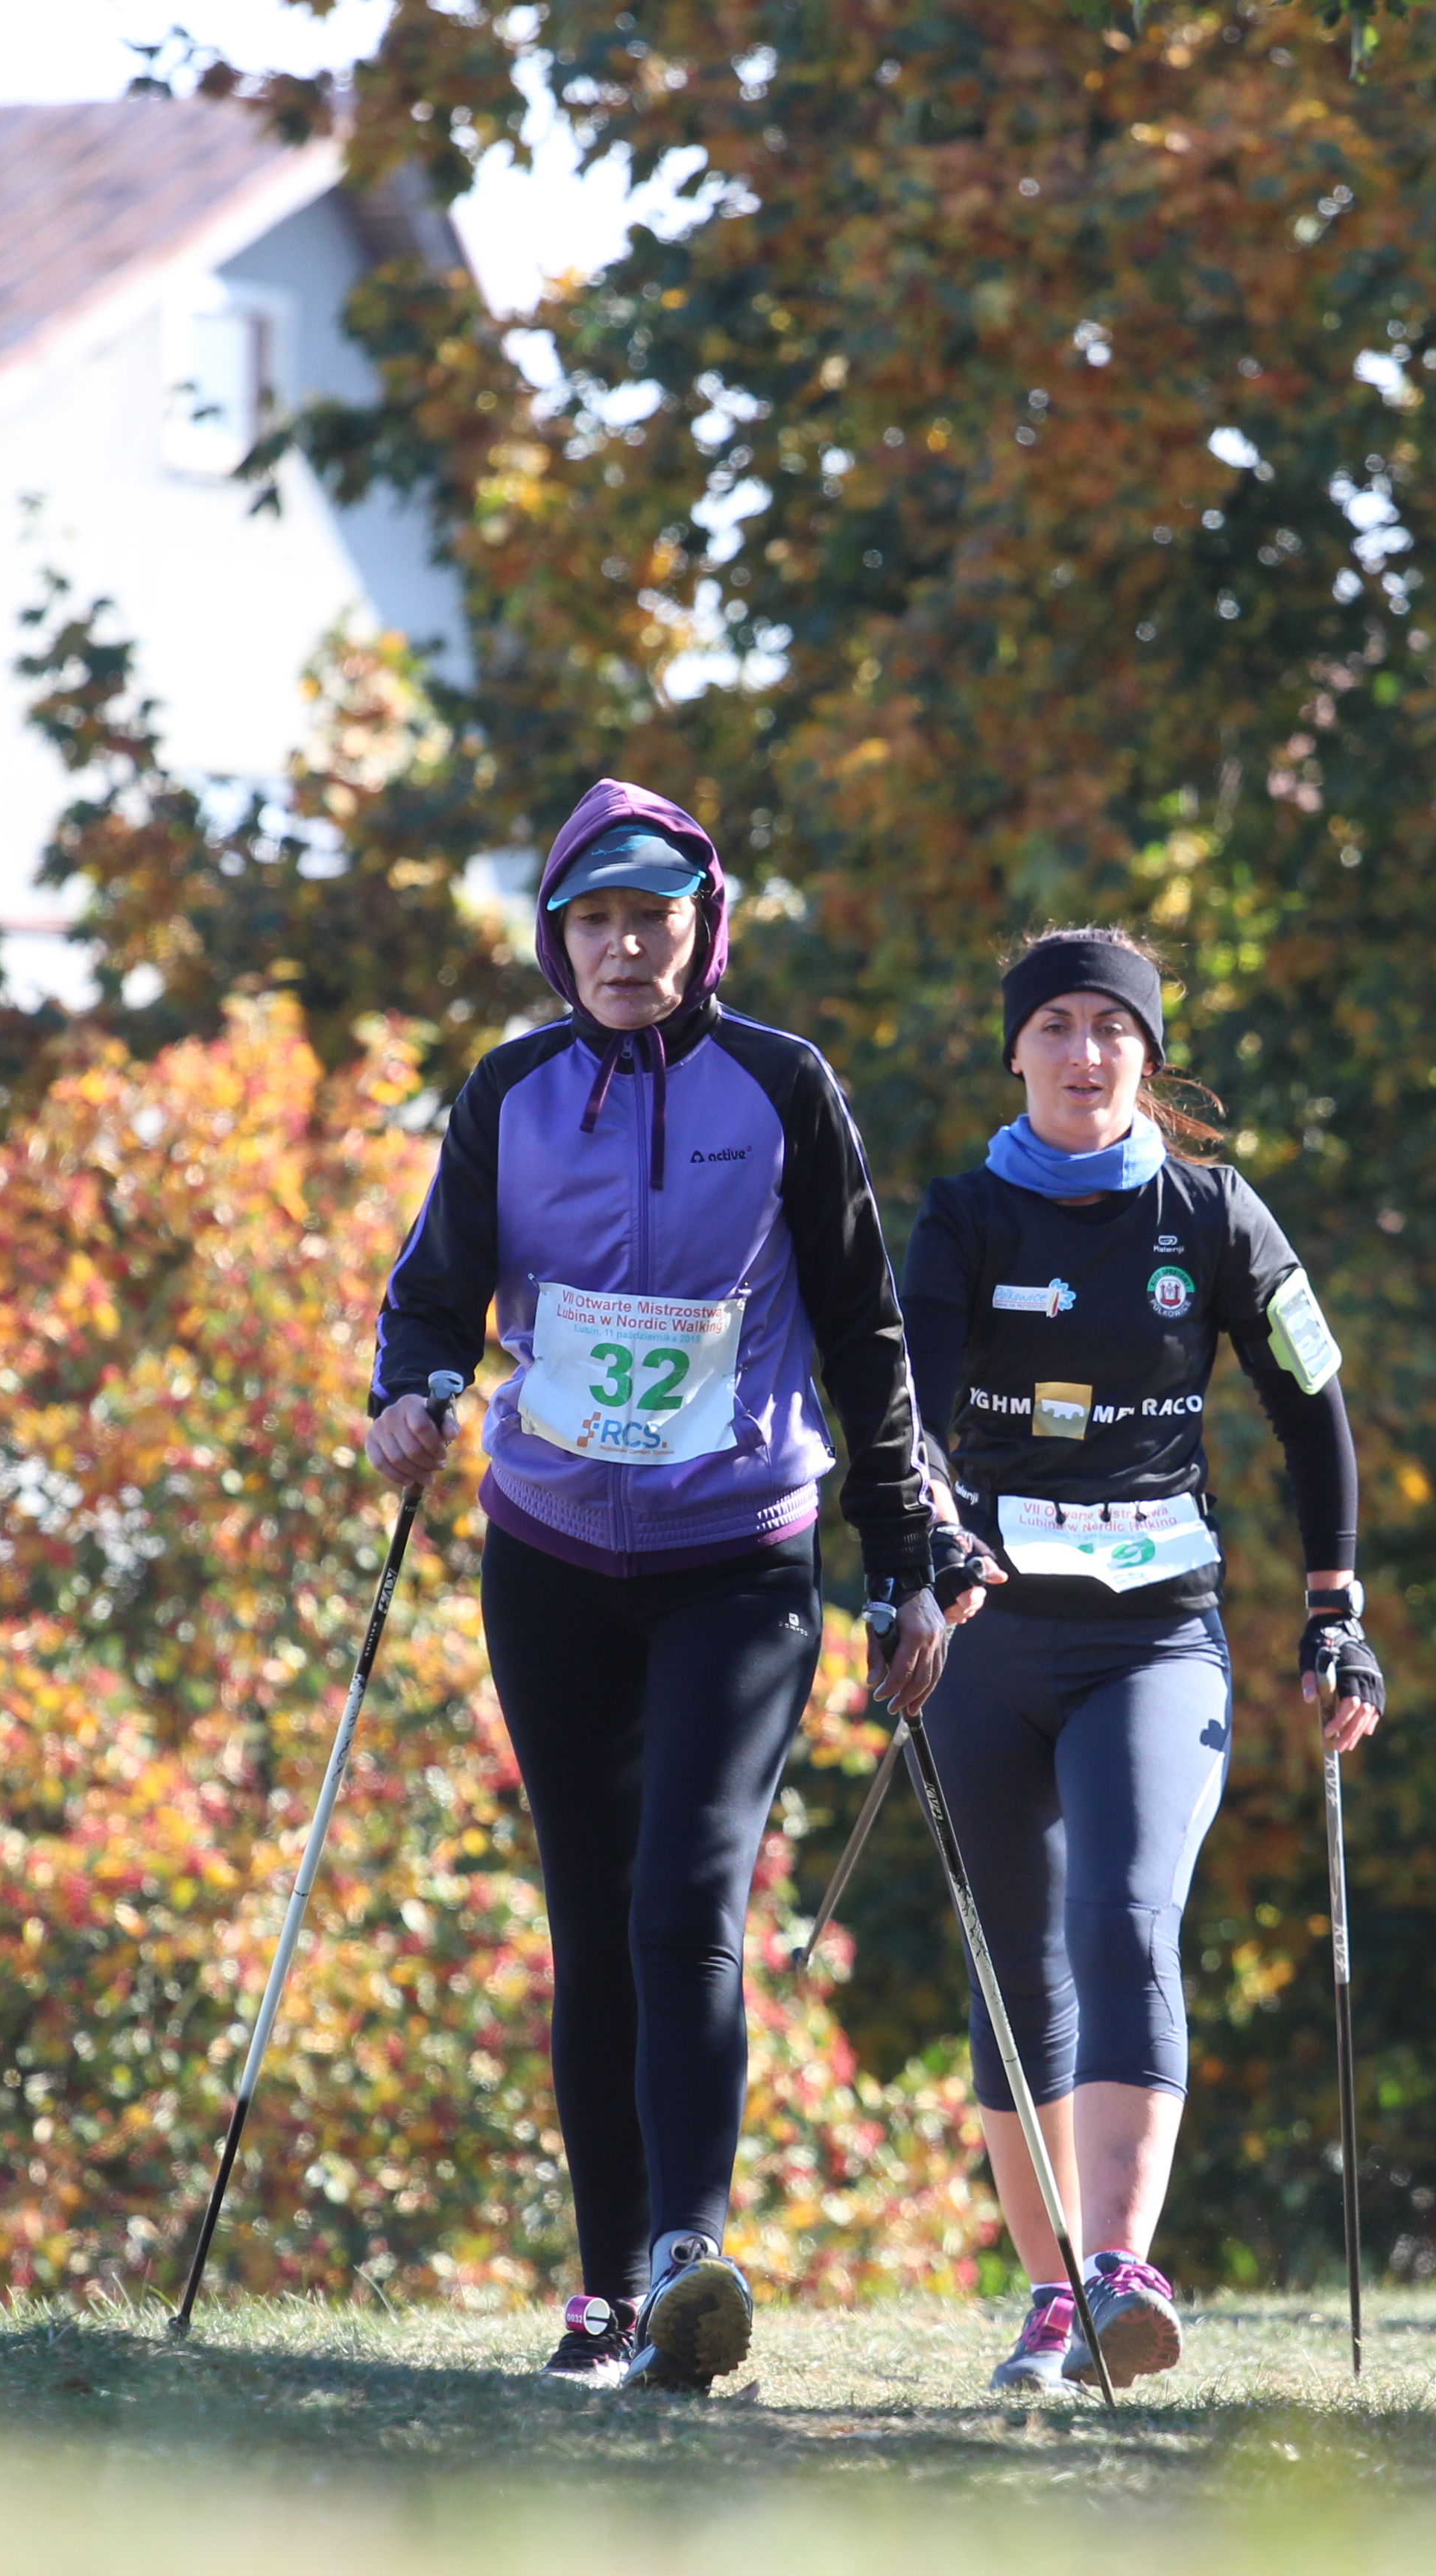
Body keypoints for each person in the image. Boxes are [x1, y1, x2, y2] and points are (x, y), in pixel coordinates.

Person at [369, 780, 949, 2393]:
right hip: (549, 1557)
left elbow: (863, 1330)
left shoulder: (780, 1086)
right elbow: (430, 1297)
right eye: (596, 923)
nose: (627, 948)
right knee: (591, 1917)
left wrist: (905, 1562)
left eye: (655, 920)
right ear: (559, 944)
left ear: (706, 933)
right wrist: (409, 1393)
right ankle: (606, 2293)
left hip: (740, 1556)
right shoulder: (511, 1093)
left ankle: (691, 2264)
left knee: (683, 1897)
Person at [897, 924, 1380, 2395]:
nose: (1086, 1053)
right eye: (1056, 1025)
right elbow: (902, 1411)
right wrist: (922, 1553)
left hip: (1155, 1633)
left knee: (1124, 1913)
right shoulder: (965, 1216)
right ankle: (1049, 2298)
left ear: (1148, 1059)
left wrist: (1334, 1605)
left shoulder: (1216, 1215)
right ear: (1017, 1052)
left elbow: (1315, 1410)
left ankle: (1120, 2270)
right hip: (991, 1631)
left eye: (1114, 1029)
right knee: (1013, 1963)